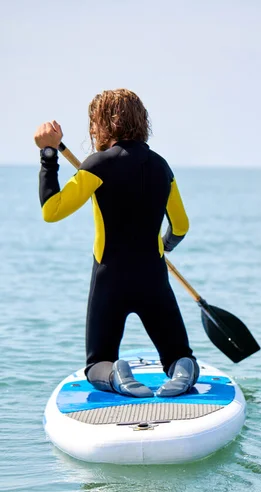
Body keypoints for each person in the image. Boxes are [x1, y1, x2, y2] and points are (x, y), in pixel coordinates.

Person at [33, 88, 199, 398]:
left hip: (111, 278)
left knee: (97, 362)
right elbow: (181, 225)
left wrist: (48, 154)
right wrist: (164, 246)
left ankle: (115, 372)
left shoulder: (96, 166)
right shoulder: (161, 167)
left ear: (102, 124)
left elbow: (51, 211)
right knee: (178, 353)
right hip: (153, 275)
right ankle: (182, 370)